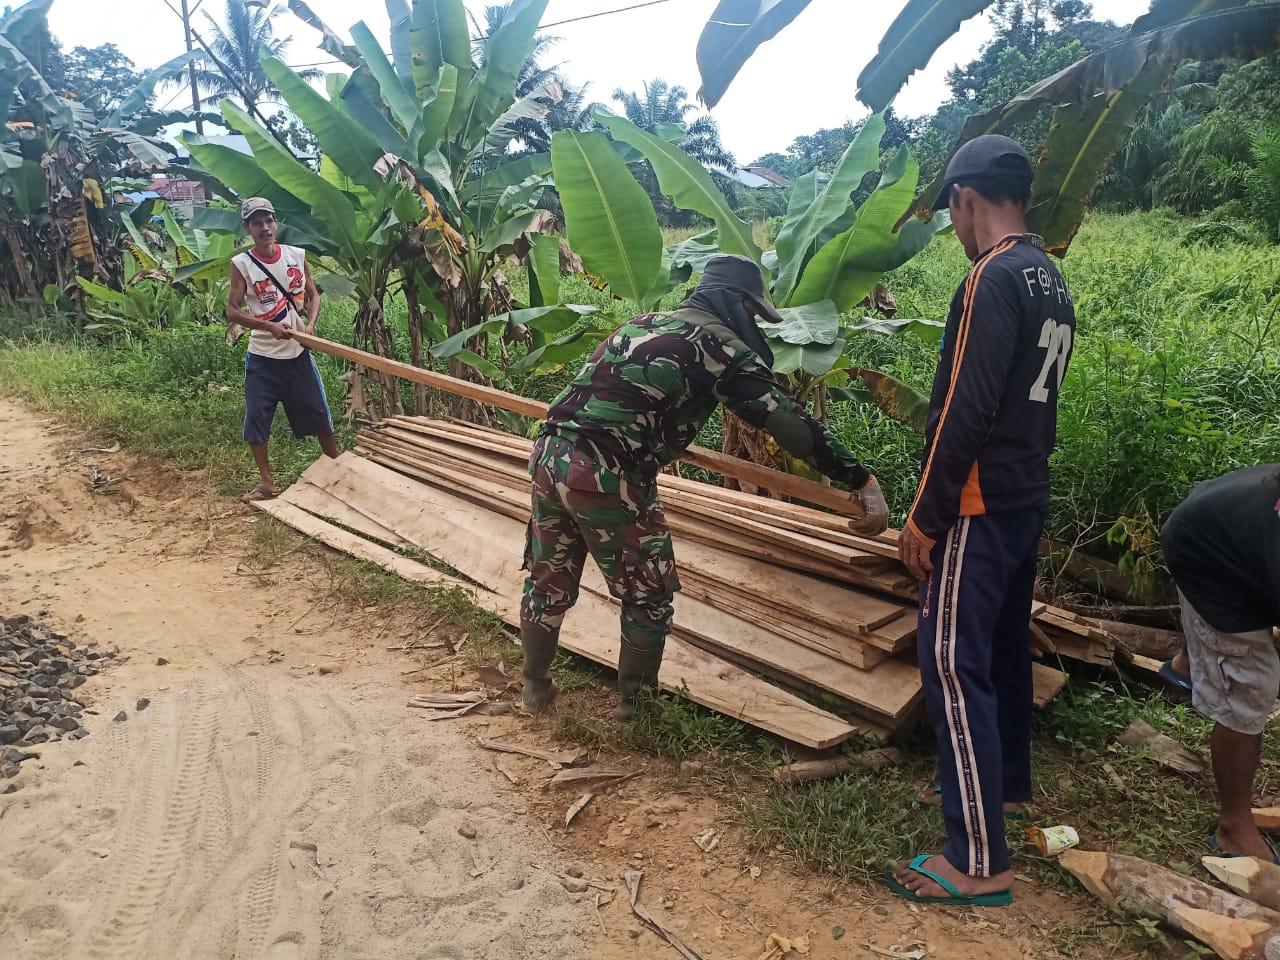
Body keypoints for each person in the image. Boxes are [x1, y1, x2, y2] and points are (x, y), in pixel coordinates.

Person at [519, 255, 889, 721]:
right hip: (607, 472)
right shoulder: (718, 348)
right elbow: (789, 426)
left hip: (549, 454)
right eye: (754, 312)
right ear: (734, 303)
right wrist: (860, 478)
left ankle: (535, 687)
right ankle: (636, 713)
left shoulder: (642, 323)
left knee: (549, 577)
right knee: (647, 594)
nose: (755, 323)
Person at [889, 135, 1076, 906]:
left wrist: (925, 518)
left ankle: (978, 861)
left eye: (952, 212)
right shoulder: (1049, 277)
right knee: (999, 650)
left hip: (978, 500)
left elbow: (964, 409)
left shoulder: (989, 278)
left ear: (966, 199)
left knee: (952, 665)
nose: (956, 227)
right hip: (1025, 492)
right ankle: (1002, 791)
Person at [1161, 465, 1280, 861]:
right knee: (1250, 687)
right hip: (1207, 552)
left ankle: (1187, 664)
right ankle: (1234, 828)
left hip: (1226, 520)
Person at [226, 197, 337, 502]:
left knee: (319, 415)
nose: (264, 227)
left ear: (275, 223)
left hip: (297, 355)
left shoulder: (296, 256)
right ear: (248, 228)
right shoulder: (242, 265)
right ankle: (266, 483)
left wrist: (311, 324)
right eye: (257, 223)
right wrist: (267, 327)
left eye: (269, 220)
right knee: (257, 420)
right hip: (262, 358)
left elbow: (313, 295)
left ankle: (336, 470)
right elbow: (232, 312)